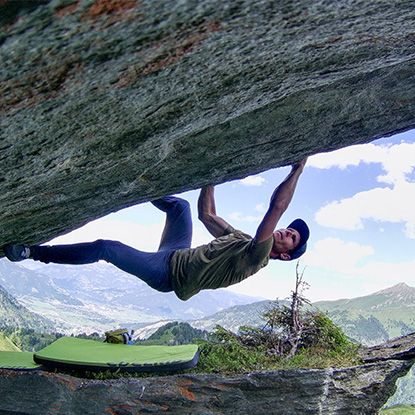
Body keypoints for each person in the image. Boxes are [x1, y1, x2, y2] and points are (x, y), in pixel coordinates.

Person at [3, 159, 309, 301]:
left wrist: (298, 169)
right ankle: (133, 179)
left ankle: (32, 252)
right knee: (182, 208)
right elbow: (207, 214)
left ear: (284, 256)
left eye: (291, 238)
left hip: (168, 275)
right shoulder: (242, 240)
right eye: (288, 230)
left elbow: (276, 209)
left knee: (105, 248)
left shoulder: (257, 256)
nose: (285, 232)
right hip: (175, 252)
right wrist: (211, 175)